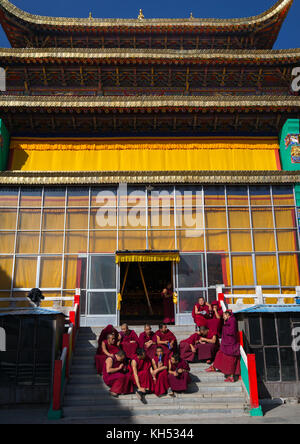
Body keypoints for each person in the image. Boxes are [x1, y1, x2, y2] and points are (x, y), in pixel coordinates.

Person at [206, 311, 241, 382]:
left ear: (228, 315)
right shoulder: (229, 320)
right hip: (226, 344)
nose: (223, 317)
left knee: (230, 360)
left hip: (230, 344)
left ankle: (231, 377)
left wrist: (225, 328)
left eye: (224, 315)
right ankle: (214, 367)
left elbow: (232, 331)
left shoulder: (232, 320)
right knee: (220, 354)